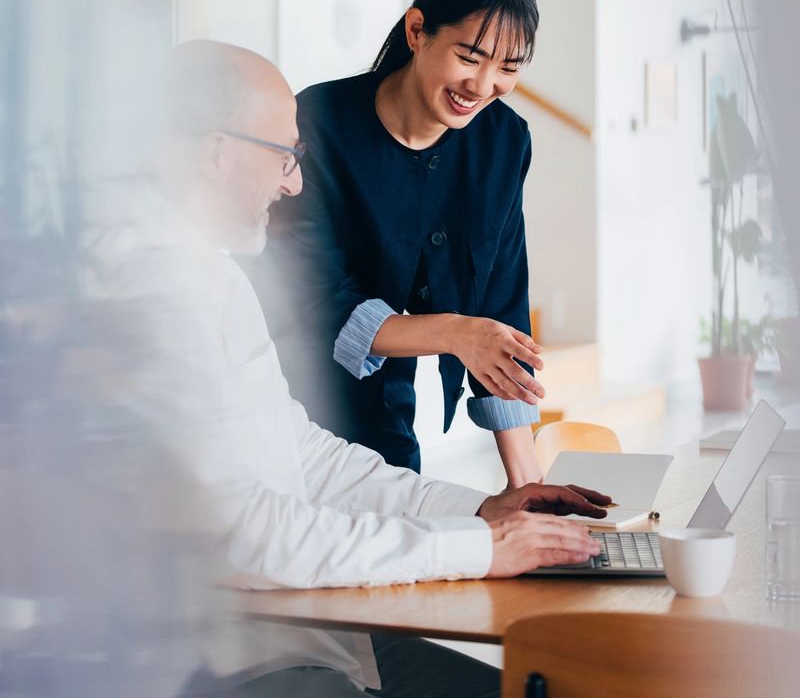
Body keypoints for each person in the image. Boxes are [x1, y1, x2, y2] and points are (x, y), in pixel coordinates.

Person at [85, 40, 608, 697]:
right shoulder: (149, 294)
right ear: (216, 153)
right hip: (244, 669)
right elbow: (246, 533)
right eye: (284, 155)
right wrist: (481, 547)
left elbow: (306, 457)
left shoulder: (211, 272)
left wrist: (484, 511)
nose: (294, 183)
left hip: (306, 643)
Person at [268, 0, 544, 485]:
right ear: (417, 30)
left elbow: (500, 308)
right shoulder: (317, 123)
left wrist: (528, 485)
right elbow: (317, 299)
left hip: (387, 415)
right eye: (470, 57)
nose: (483, 85)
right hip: (291, 407)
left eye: (507, 68)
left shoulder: (503, 143)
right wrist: (455, 333)